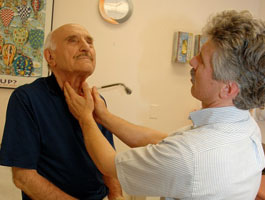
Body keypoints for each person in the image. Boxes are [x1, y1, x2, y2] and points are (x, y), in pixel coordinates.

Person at [63, 10, 265, 200]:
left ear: (228, 89)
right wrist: (104, 117)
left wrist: (85, 118)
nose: (192, 62)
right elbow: (162, 141)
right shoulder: (246, 127)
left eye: (202, 61)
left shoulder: (189, 156)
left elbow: (108, 164)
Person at [0, 24, 123, 200]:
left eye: (90, 42)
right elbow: (23, 178)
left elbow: (108, 161)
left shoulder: (97, 101)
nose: (86, 47)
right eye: (73, 40)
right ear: (50, 57)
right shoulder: (27, 98)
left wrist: (116, 195)